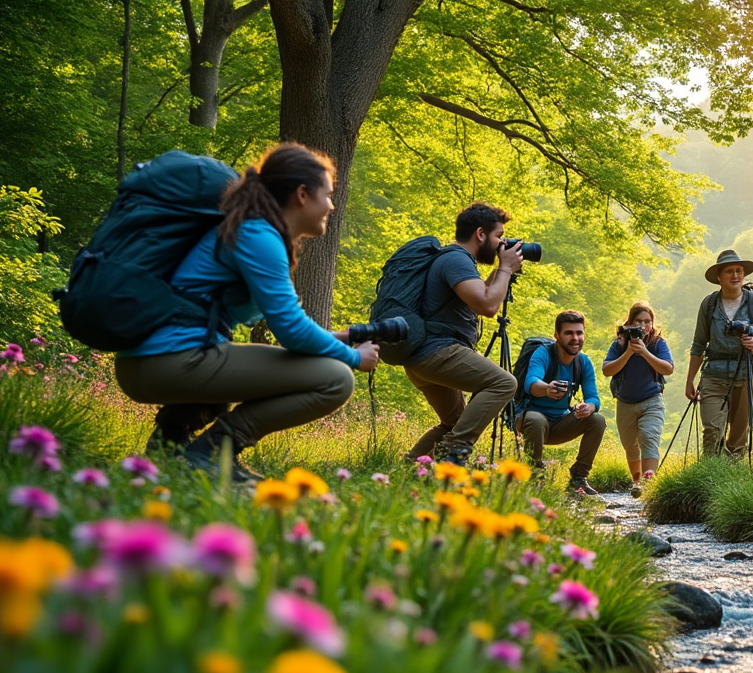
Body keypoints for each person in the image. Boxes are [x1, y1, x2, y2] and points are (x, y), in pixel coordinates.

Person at [115, 143, 379, 481]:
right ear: (301, 194)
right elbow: (292, 330)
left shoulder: (252, 229)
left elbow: (284, 329)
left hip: (154, 362)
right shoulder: (258, 234)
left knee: (250, 356)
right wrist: (353, 358)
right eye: (327, 195)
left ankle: (171, 444)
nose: (331, 205)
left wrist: (333, 339)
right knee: (335, 378)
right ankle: (213, 452)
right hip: (166, 362)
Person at [401, 203, 524, 464]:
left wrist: (498, 273)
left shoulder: (454, 259)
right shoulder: (456, 259)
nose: (501, 243)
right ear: (480, 233)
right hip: (437, 351)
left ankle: (409, 470)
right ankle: (453, 454)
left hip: (420, 357)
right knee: (504, 383)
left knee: (455, 422)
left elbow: (477, 298)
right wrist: (505, 268)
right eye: (498, 236)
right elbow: (488, 306)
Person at [684, 250, 753, 458]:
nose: (735, 275)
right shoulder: (709, 304)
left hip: (746, 376)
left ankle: (730, 480)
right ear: (719, 277)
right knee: (712, 429)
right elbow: (698, 344)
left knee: (739, 436)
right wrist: (690, 380)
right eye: (730, 271)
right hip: (713, 376)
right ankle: (709, 479)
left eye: (739, 271)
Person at [518, 310, 606, 496]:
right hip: (530, 420)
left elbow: (593, 398)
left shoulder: (583, 362)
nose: (575, 338)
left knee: (597, 420)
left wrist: (588, 407)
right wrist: (546, 389)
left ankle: (578, 478)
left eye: (579, 333)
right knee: (535, 419)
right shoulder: (542, 354)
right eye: (569, 333)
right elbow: (530, 382)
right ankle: (535, 474)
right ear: (557, 335)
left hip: (560, 423)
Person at [603, 301, 674, 497]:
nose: (643, 326)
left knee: (648, 438)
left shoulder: (658, 343)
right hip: (625, 402)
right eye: (638, 321)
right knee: (630, 446)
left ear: (652, 323)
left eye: (647, 321)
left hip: (651, 400)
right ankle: (637, 483)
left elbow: (667, 368)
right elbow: (607, 370)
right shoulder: (619, 344)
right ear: (630, 323)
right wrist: (628, 352)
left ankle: (649, 485)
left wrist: (644, 352)